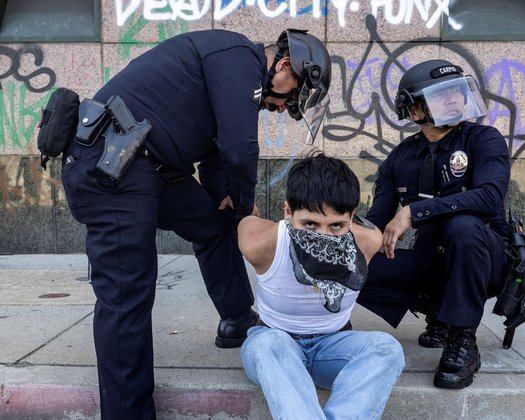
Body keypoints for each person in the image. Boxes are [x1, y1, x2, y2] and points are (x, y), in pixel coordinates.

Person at [59, 29, 331, 419]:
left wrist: (229, 205)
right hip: (111, 164)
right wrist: (247, 209)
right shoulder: (237, 56)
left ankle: (238, 318)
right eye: (291, 95)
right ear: (284, 65)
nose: (281, 107)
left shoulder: (234, 72)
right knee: (126, 294)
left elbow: (219, 152)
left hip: (149, 165)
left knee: (213, 223)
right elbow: (239, 148)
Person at [356, 59, 511, 389]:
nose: (455, 99)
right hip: (432, 259)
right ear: (415, 111)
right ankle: (440, 312)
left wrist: (414, 211)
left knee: (463, 225)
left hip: (487, 259)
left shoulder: (484, 139)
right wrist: (330, 227)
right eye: (442, 94)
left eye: (458, 91)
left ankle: (462, 339)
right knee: (351, 262)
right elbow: (375, 222)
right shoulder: (401, 158)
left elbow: (489, 198)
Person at [238, 153, 405, 419]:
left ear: (351, 217)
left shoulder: (368, 241)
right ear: (287, 213)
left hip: (333, 347)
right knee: (268, 344)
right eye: (310, 224)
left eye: (336, 226)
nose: (322, 236)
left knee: (387, 349)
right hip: (275, 347)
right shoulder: (261, 243)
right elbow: (247, 220)